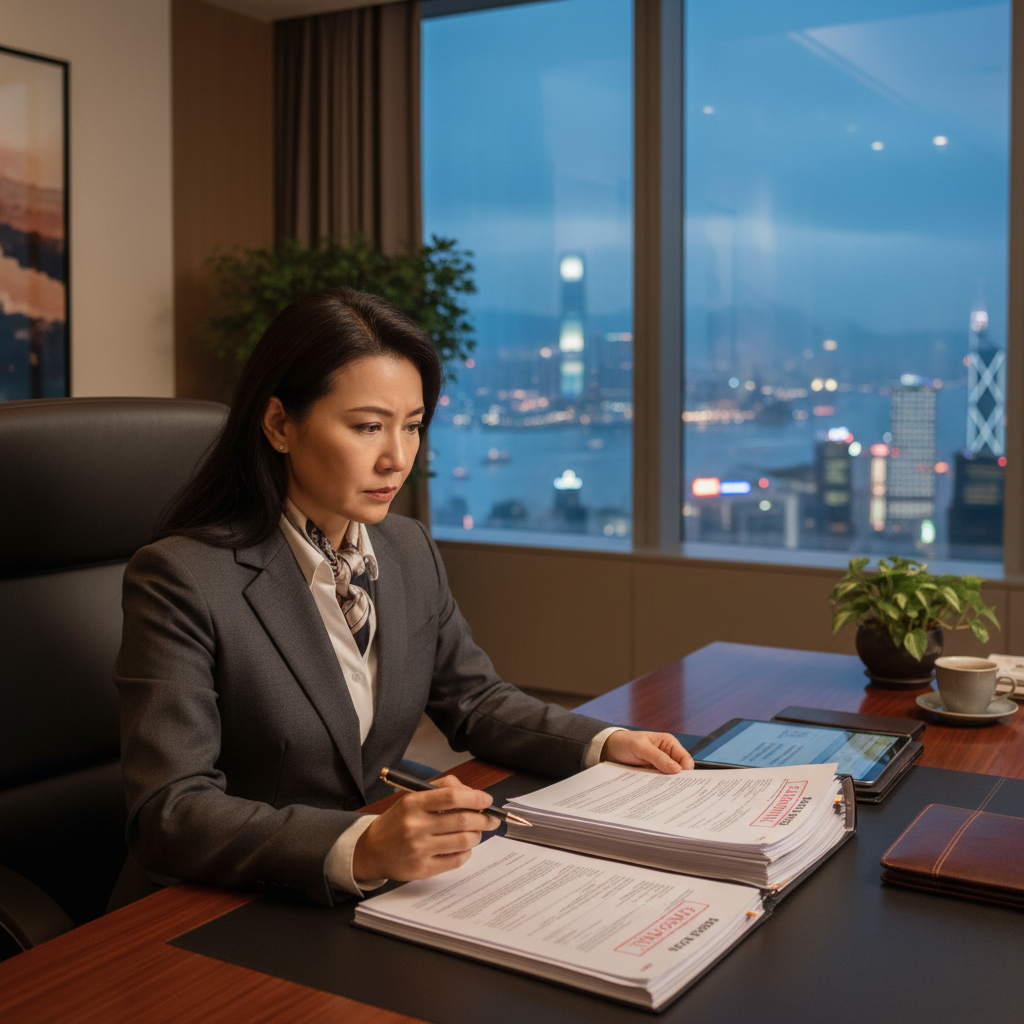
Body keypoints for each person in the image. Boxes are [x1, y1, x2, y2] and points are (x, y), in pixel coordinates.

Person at [110, 288, 693, 910]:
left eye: (412, 426)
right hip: (210, 910)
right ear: (280, 424)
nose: (398, 458)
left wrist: (603, 743)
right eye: (367, 427)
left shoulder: (406, 548)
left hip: (367, 897)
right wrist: (360, 844)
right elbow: (171, 812)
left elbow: (475, 700)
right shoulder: (181, 578)